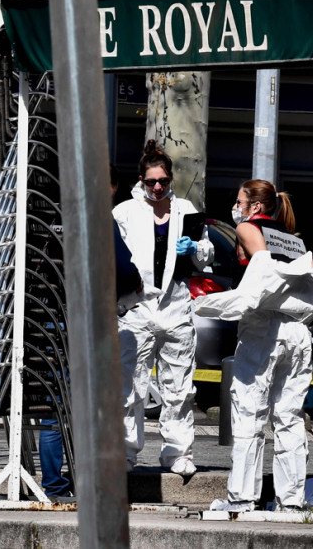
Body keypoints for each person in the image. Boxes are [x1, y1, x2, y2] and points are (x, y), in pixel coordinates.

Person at [199, 180, 313, 512]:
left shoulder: (247, 227)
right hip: (297, 332)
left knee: (249, 414)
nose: (236, 206)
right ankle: (292, 501)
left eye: (240, 200)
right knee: (290, 417)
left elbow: (265, 269)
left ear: (255, 206)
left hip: (263, 329)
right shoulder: (290, 238)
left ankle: (241, 499)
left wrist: (224, 302)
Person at [40, 164, 142, 497]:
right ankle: (59, 483)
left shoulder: (54, 215)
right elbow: (123, 271)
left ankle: (57, 479)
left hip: (50, 318)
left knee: (55, 402)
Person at [113, 141, 214, 476]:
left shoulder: (186, 210)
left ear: (171, 180)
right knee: (130, 385)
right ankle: (126, 453)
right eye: (151, 182)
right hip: (136, 308)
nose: (158, 187)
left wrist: (196, 247)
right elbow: (112, 256)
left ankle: (177, 452)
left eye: (163, 182)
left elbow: (206, 255)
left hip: (175, 305)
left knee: (180, 386)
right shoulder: (125, 212)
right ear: (141, 180)